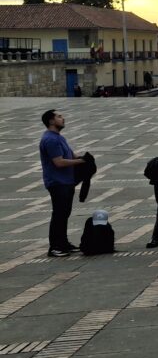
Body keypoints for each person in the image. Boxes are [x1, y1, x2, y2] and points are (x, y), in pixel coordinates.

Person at [39, 110, 87, 257]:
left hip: (66, 182)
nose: (63, 118)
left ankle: (63, 243)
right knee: (59, 214)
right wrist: (81, 161)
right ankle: (55, 247)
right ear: (51, 121)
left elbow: (72, 155)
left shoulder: (59, 138)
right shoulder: (50, 140)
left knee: (64, 213)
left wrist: (84, 158)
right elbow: (58, 162)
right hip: (57, 182)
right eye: (59, 116)